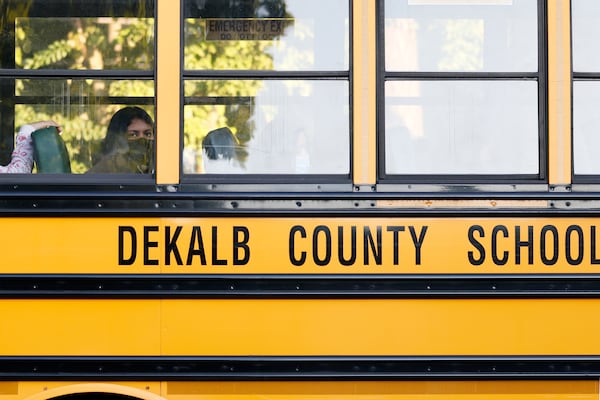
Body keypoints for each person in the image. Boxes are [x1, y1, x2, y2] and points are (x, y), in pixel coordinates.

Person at [87, 106, 154, 174]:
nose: (142, 140)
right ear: (118, 139)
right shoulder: (104, 170)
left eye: (147, 134)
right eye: (133, 135)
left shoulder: (157, 166)